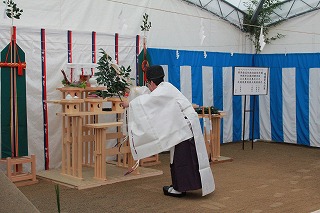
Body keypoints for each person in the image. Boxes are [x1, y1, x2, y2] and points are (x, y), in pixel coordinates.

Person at [121, 65, 215, 197]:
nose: (148, 86)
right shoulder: (165, 87)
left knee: (181, 157)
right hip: (185, 124)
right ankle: (181, 185)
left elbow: (146, 102)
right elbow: (147, 96)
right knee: (184, 156)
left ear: (152, 82)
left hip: (185, 126)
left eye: (148, 83)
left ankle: (180, 188)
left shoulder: (162, 91)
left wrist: (129, 104)